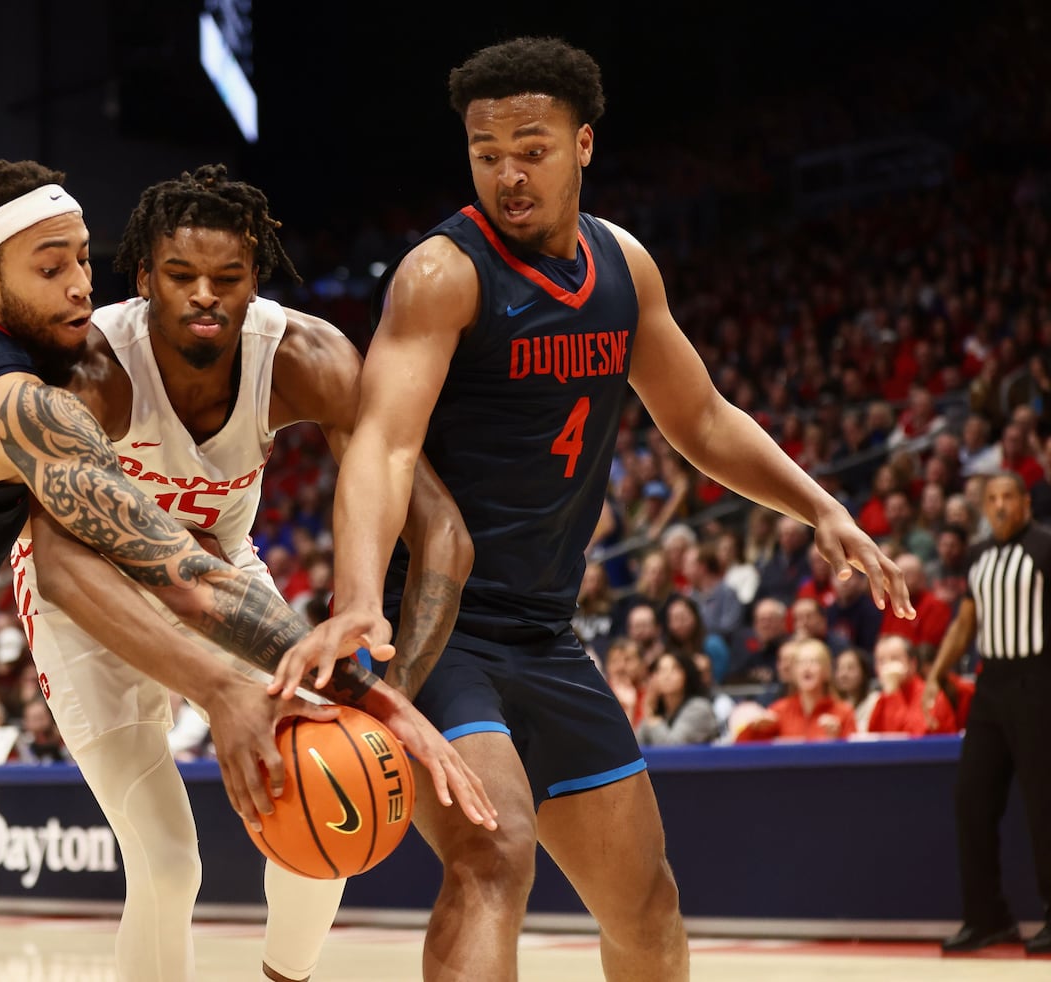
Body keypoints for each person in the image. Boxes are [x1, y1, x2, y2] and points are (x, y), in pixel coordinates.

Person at [0, 160, 492, 982]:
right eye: (50, 267)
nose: (76, 289)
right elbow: (165, 573)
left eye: (80, 260)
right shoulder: (30, 401)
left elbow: (387, 536)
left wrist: (368, 685)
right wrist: (358, 695)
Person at [278, 37, 913, 981]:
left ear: (583, 144)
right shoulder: (441, 275)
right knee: (494, 857)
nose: (507, 173)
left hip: (546, 634)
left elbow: (698, 417)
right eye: (486, 152)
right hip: (438, 627)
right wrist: (361, 597)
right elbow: (383, 445)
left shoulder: (626, 267)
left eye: (530, 148)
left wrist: (819, 506)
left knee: (647, 902)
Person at [14, 164, 484, 982]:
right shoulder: (94, 370)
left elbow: (438, 526)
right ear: (144, 278)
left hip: (225, 580)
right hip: (90, 596)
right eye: (182, 276)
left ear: (255, 280)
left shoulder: (305, 355)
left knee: (332, 804)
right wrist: (218, 691)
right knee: (166, 862)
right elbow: (58, 566)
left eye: (227, 278)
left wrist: (388, 688)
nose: (205, 295)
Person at [925, 472, 1051, 955]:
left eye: (1007, 498)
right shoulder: (977, 555)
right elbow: (967, 620)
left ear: (1024, 503)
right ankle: (987, 917)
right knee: (971, 800)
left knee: (1044, 803)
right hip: (991, 685)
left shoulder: (1044, 546)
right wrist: (937, 672)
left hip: (1039, 681)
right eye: (991, 499)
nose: (999, 506)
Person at [866, 634, 956, 737]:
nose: (887, 666)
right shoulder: (884, 697)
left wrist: (893, 694)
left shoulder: (930, 696)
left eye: (895, 659)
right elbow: (872, 739)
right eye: (881, 661)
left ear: (912, 664)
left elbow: (912, 739)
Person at [635, 651, 720, 747]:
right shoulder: (659, 712)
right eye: (661, 670)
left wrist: (652, 718)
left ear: (687, 675)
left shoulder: (699, 709)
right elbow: (634, 749)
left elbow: (673, 751)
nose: (667, 675)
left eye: (674, 669)